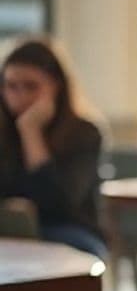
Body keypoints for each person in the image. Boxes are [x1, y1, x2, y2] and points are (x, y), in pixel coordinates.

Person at [0, 38, 107, 258]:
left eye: (31, 86)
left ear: (56, 86)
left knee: (82, 253)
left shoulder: (84, 133)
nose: (20, 96)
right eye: (11, 86)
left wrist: (31, 132)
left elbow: (59, 202)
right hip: (8, 232)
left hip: (67, 231)